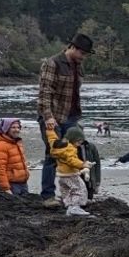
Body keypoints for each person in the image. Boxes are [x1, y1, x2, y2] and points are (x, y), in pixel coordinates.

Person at [37, 32, 93, 206]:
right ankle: (48, 196)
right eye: (82, 53)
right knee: (53, 154)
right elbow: (45, 92)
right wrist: (48, 117)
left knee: (74, 152)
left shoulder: (78, 66)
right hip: (53, 116)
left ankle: (76, 193)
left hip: (71, 116)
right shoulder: (52, 63)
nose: (83, 57)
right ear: (72, 48)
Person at [46, 125, 94, 216]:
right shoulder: (70, 148)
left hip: (61, 175)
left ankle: (69, 207)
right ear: (73, 139)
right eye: (79, 141)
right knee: (79, 189)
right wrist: (83, 164)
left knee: (67, 191)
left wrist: (50, 130)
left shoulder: (57, 144)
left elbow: (51, 139)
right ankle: (76, 207)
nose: (80, 144)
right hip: (70, 174)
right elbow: (71, 160)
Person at [0, 118, 30, 195]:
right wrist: (5, 188)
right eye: (13, 127)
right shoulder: (0, 145)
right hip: (11, 185)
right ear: (6, 129)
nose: (17, 130)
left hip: (23, 183)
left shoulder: (16, 143)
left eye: (18, 127)